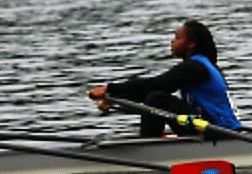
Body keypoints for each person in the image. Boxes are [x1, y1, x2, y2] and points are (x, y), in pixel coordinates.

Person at [87, 20, 241, 138]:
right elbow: (153, 88)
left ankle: (148, 149)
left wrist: (110, 88)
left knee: (157, 99)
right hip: (211, 125)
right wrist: (113, 98)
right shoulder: (202, 65)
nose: (172, 41)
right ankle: (150, 144)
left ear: (191, 44)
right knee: (155, 97)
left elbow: (158, 84)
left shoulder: (195, 67)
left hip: (217, 130)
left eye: (177, 37)